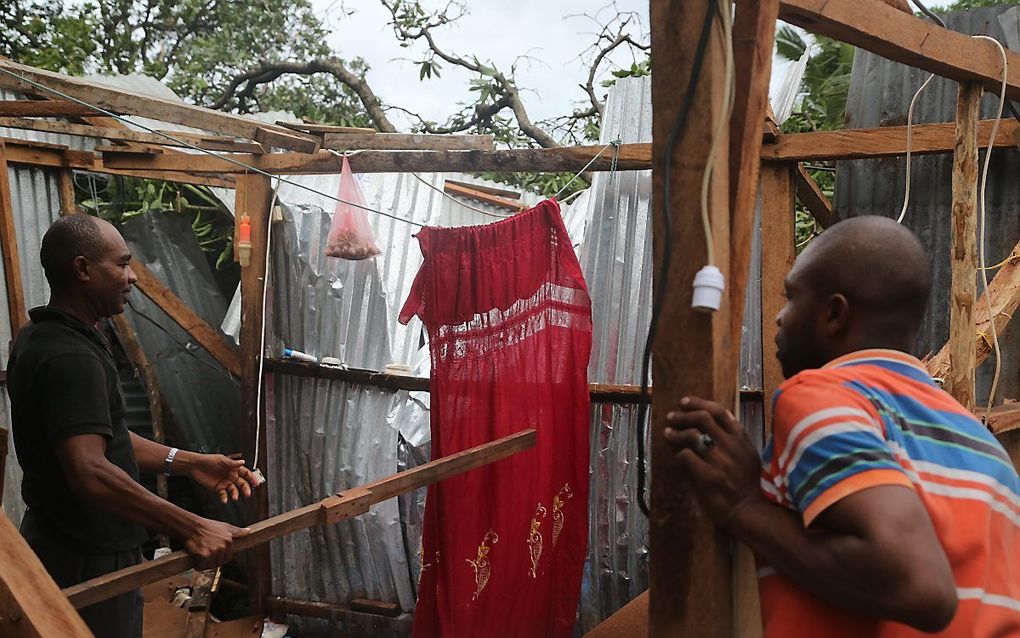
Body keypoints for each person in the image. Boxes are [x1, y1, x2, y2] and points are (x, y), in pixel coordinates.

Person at [665, 216, 1020, 636]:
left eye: (790, 298)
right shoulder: (987, 449)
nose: (779, 318)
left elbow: (921, 587)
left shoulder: (820, 396)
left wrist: (745, 506)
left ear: (834, 313)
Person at [8, 214, 261, 638]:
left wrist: (188, 463)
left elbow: (106, 438)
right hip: (86, 558)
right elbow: (89, 469)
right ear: (84, 269)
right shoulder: (71, 357)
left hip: (65, 545)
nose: (132, 278)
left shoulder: (39, 337)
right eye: (122, 264)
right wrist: (192, 525)